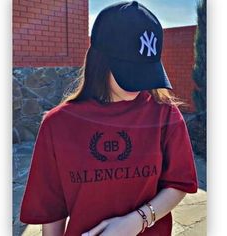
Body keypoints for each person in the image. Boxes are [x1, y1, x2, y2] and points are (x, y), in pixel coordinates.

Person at [19, 1, 198, 235]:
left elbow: (179, 183)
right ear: (99, 60)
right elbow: (52, 209)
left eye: (146, 70)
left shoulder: (165, 114)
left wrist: (138, 220)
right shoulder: (58, 124)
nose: (141, 83)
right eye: (130, 70)